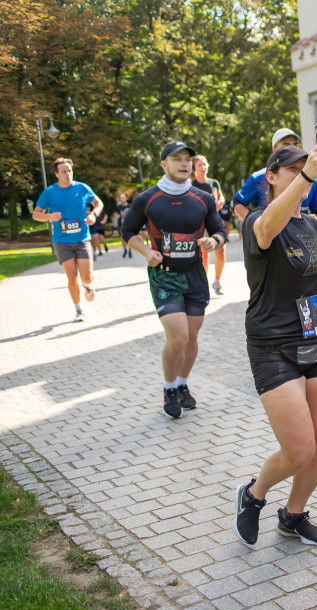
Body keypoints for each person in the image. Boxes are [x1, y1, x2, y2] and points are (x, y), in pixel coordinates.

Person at [232, 141, 317, 548]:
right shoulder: (257, 221)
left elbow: (316, 287)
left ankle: (294, 514)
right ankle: (253, 495)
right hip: (274, 347)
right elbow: (268, 226)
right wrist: (310, 176)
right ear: (271, 176)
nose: (304, 174)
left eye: (308, 169)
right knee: (299, 447)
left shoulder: (311, 225)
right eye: (293, 169)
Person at [119, 141, 227, 418]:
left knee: (191, 338)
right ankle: (169, 388)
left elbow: (219, 229)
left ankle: (182, 384)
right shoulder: (147, 198)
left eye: (187, 159)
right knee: (178, 336)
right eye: (177, 159)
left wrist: (213, 241)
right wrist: (145, 251)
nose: (184, 164)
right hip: (164, 276)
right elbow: (127, 230)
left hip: (195, 275)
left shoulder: (203, 197)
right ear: (163, 164)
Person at [32, 157, 103, 322]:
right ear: (57, 174)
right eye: (64, 171)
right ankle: (79, 310)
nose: (68, 174)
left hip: (82, 239)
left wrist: (93, 214)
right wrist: (49, 216)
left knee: (87, 276)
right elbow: (36, 214)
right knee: (72, 277)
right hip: (62, 240)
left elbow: (98, 203)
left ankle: (87, 286)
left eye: (69, 170)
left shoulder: (82, 188)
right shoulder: (49, 192)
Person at [233, 128, 317, 231]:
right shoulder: (259, 177)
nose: (292, 148)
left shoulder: (309, 178)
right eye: (286, 145)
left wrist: (316, 222)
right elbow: (236, 203)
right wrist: (255, 227)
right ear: (274, 149)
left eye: (295, 144)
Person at [191, 155, 228, 295]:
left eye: (205, 164)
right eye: (200, 165)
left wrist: (221, 201)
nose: (203, 167)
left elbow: (221, 196)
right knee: (204, 256)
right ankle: (203, 284)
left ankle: (217, 281)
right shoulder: (191, 186)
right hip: (200, 224)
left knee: (221, 252)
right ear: (194, 168)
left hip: (215, 222)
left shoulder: (214, 183)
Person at [113, 193, 134, 258]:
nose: (122, 199)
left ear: (126, 198)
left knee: (130, 238)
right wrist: (117, 216)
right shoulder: (118, 207)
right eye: (121, 198)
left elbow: (134, 214)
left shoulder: (130, 206)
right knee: (122, 238)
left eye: (123, 197)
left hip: (129, 224)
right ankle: (125, 250)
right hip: (121, 225)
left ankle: (130, 251)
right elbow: (115, 214)